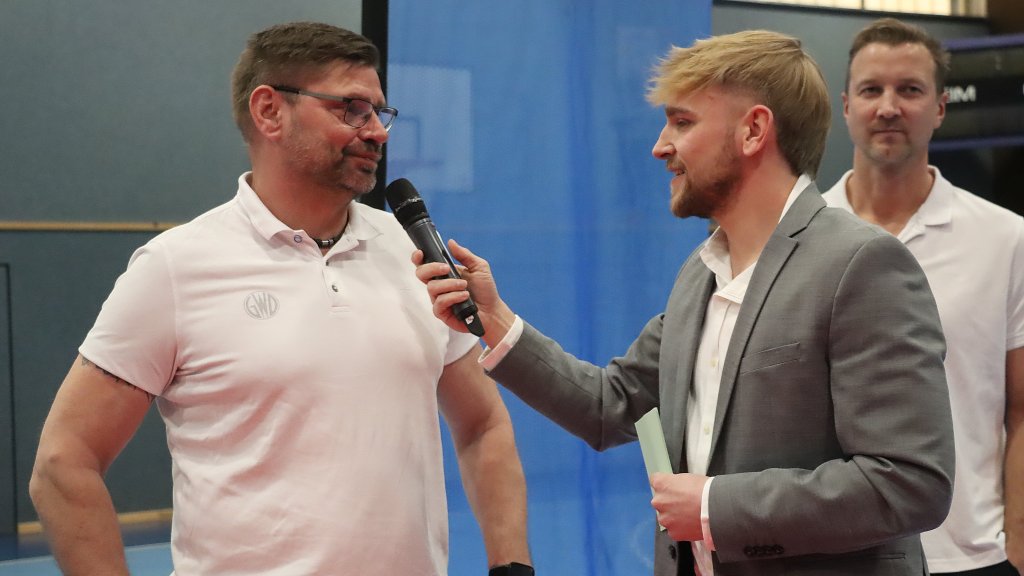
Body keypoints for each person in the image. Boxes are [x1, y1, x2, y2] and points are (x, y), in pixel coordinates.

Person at [414, 29, 955, 575]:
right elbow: (610, 405)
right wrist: (494, 320)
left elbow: (909, 483)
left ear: (753, 130)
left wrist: (716, 506)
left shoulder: (862, 264)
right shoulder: (701, 271)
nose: (660, 146)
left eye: (682, 121)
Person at [29, 21, 533, 576]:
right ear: (270, 111)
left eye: (379, 112)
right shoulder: (174, 267)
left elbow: (483, 426)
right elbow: (63, 462)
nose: (377, 132)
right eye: (351, 109)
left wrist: (511, 566)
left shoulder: (410, 253)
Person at [823, 17, 1024, 576]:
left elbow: (1022, 408)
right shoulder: (798, 237)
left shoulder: (1007, 239)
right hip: (836, 553)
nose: (889, 107)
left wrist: (1018, 539)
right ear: (847, 107)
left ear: (939, 108)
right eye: (872, 90)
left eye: (909, 89)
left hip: (972, 556)